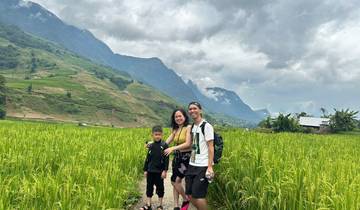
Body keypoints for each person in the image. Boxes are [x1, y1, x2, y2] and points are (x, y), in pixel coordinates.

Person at [165, 102, 215, 210]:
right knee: (190, 194)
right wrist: (155, 144)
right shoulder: (193, 127)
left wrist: (210, 167)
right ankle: (181, 204)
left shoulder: (206, 126)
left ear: (200, 110)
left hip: (202, 164)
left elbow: (211, 147)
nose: (192, 111)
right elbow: (193, 146)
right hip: (192, 163)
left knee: (198, 195)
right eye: (190, 109)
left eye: (195, 108)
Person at [165, 109, 192, 210]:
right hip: (177, 158)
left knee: (176, 181)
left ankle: (185, 199)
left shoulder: (188, 127)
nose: (178, 118)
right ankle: (176, 206)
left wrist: (173, 148)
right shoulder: (175, 129)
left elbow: (188, 144)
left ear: (184, 117)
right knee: (174, 180)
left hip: (186, 158)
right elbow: (166, 143)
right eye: (176, 117)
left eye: (180, 116)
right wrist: (154, 143)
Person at [141, 126, 169, 210]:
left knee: (160, 187)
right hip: (150, 170)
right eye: (156, 134)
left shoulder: (164, 145)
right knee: (149, 187)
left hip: (159, 171)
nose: (157, 136)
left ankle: (160, 205)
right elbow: (147, 158)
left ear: (162, 135)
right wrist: (145, 170)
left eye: (159, 134)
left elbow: (166, 159)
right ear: (152, 135)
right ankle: (148, 204)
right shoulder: (150, 145)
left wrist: (165, 171)